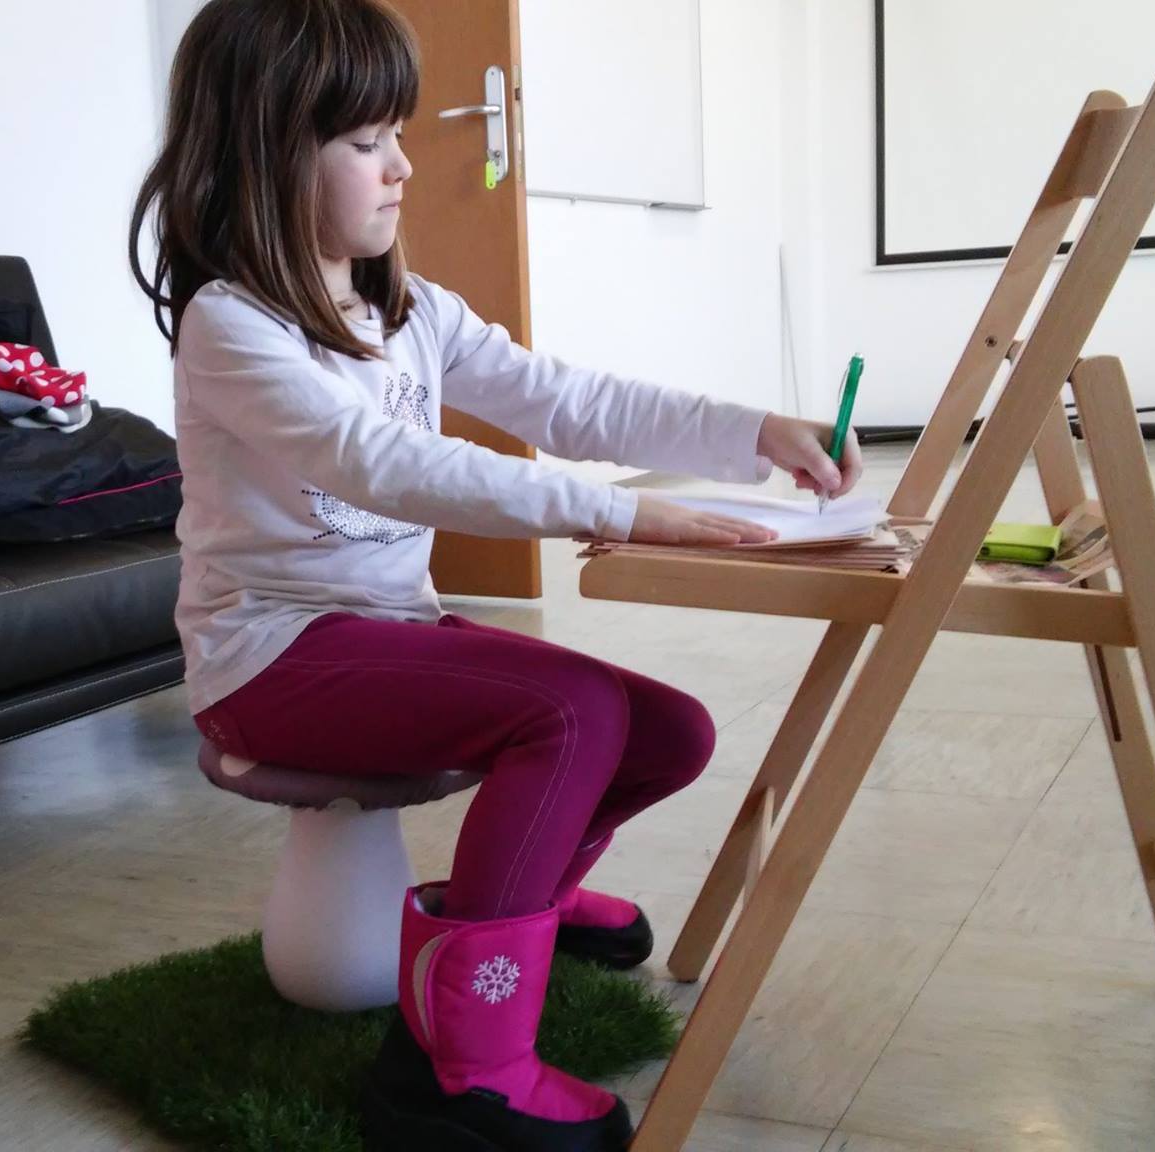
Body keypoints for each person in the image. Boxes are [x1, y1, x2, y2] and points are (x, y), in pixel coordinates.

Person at [129, 1, 860, 1147]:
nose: (403, 167)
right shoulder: (230, 325)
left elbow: (567, 400)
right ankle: (460, 1071)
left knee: (667, 732)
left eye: (396, 135)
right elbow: (382, 463)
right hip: (264, 659)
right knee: (569, 714)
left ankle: (520, 906)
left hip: (387, 631)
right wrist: (623, 513)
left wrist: (752, 431)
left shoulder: (408, 308)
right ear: (266, 154)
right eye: (366, 142)